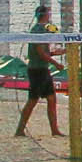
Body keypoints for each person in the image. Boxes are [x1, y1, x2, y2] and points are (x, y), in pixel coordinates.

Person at [16, 9, 62, 139]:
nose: (50, 16)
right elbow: (41, 53)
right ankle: (19, 130)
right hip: (37, 70)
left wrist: (56, 53)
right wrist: (56, 63)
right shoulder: (39, 30)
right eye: (49, 13)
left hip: (41, 68)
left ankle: (55, 130)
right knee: (32, 100)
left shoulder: (40, 29)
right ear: (45, 15)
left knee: (51, 99)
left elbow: (42, 52)